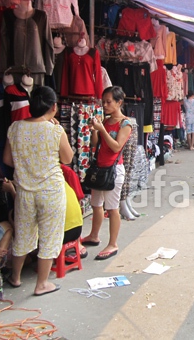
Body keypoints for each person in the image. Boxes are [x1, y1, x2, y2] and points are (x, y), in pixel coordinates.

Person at [3, 85, 73, 295]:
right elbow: (68, 159)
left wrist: (28, 165)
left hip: (24, 191)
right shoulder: (55, 130)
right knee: (50, 236)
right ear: (53, 107)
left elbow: (7, 159)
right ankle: (41, 284)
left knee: (23, 234)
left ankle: (15, 277)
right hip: (51, 191)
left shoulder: (15, 127)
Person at [82, 86, 132, 260]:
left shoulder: (126, 123)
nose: (105, 105)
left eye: (109, 102)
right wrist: (95, 130)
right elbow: (96, 144)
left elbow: (117, 146)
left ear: (119, 102)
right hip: (100, 167)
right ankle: (94, 235)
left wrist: (101, 129)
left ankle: (113, 243)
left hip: (113, 169)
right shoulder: (105, 120)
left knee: (112, 208)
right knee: (96, 204)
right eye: (103, 102)